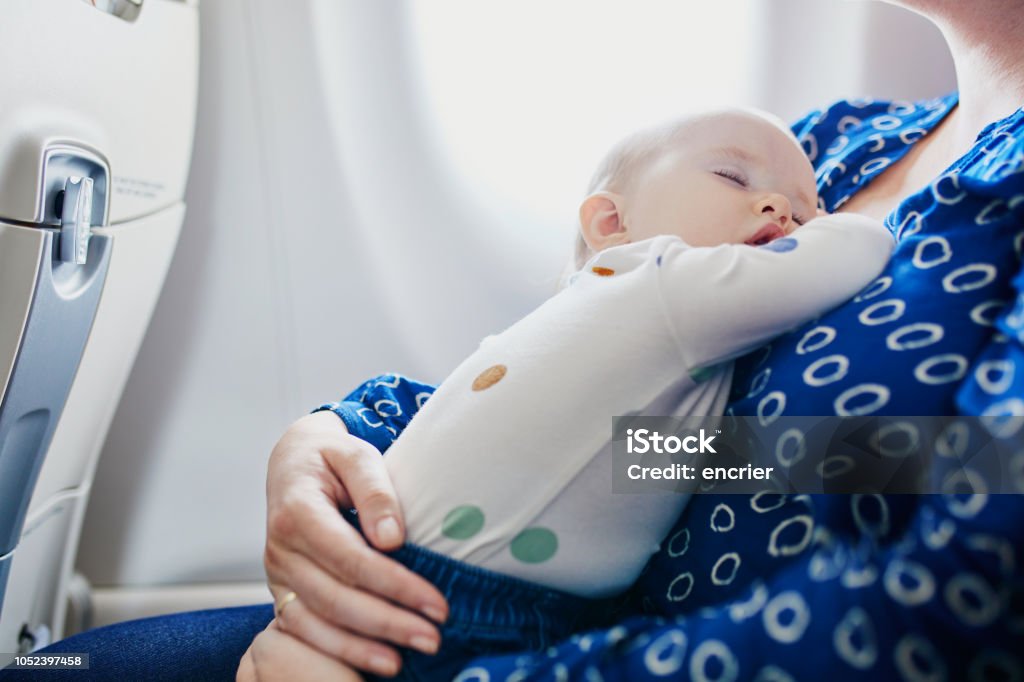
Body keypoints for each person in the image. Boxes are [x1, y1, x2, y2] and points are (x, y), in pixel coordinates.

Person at [5, 1, 1019, 680]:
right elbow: (614, 388)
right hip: (466, 595)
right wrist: (340, 439)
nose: (776, 215)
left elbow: (968, 574)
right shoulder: (834, 148)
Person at [294, 109, 891, 680]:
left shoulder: (604, 305)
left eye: (810, 215)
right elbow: (850, 252)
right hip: (470, 606)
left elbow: (652, 452)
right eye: (732, 177)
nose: (785, 209)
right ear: (610, 224)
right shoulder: (665, 281)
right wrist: (852, 224)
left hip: (397, 558)